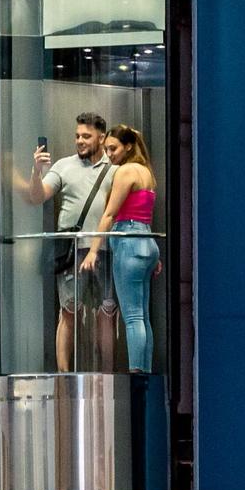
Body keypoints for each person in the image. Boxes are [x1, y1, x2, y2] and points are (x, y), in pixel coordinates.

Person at [27, 112, 118, 370]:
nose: (80, 141)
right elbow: (38, 196)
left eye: (86, 136)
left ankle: (108, 371)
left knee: (107, 312)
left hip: (105, 248)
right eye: (77, 135)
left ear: (101, 137)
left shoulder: (114, 170)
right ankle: (63, 372)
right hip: (71, 248)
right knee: (68, 310)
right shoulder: (63, 166)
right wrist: (36, 171)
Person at [80, 123, 160, 373]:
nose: (109, 154)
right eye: (106, 150)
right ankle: (143, 370)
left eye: (113, 149)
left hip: (128, 240)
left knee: (133, 316)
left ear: (128, 146)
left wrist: (93, 250)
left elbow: (110, 214)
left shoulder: (125, 172)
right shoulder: (146, 172)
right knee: (143, 316)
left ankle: (137, 372)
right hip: (146, 241)